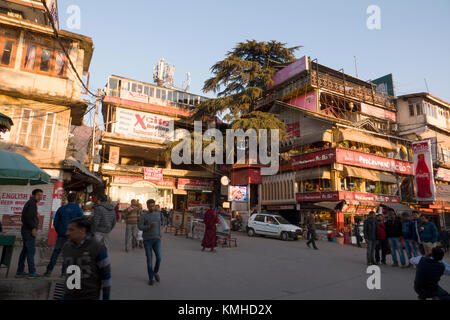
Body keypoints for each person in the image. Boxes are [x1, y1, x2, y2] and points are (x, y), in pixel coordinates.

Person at [62, 217, 111, 300]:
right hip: (69, 295)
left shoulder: (98, 248)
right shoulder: (66, 247)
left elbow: (106, 276)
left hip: (89, 296)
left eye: (71, 230)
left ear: (82, 230)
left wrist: (106, 297)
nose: (67, 233)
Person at [44, 193, 84, 277]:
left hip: (61, 235)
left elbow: (55, 222)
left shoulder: (61, 209)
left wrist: (60, 231)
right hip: (73, 236)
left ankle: (48, 271)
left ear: (67, 199)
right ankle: (63, 273)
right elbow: (82, 223)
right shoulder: (78, 210)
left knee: (56, 252)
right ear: (75, 200)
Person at [16, 189, 44, 279]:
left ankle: (20, 271)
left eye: (41, 195)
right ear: (33, 195)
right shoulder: (32, 203)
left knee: (25, 251)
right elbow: (28, 218)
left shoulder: (31, 203)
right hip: (29, 231)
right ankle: (32, 272)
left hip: (26, 230)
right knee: (31, 251)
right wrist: (33, 229)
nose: (40, 197)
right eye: (38, 195)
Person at [138, 199, 162, 286]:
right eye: (150, 206)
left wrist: (160, 235)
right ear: (147, 206)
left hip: (156, 239)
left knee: (159, 258)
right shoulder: (144, 215)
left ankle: (155, 272)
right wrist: (148, 226)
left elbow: (159, 225)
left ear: (155, 205)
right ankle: (151, 278)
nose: (152, 207)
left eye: (153, 206)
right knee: (149, 260)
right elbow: (140, 226)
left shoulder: (158, 214)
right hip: (147, 240)